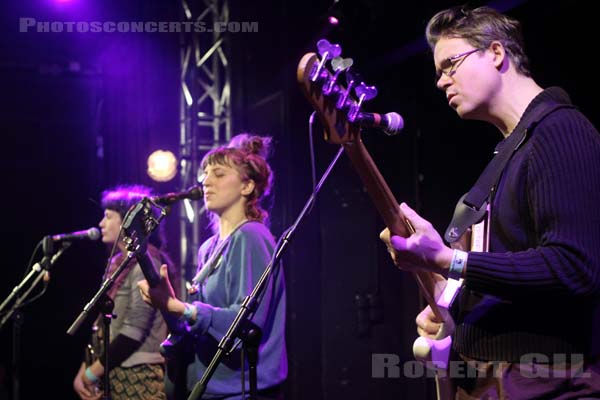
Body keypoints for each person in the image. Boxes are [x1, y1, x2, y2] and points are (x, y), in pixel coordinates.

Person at [380, 5, 600, 399]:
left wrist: (449, 261)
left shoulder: (559, 130)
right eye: (438, 71)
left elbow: (574, 266)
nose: (440, 81)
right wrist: (452, 306)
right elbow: (510, 274)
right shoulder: (510, 153)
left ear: (496, 53)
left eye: (450, 64)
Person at [138, 133, 287, 400]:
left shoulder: (251, 236)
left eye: (218, 173)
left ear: (247, 187)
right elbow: (201, 324)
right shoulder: (209, 247)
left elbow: (244, 326)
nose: (206, 181)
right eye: (205, 174)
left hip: (242, 392)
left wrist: (177, 306)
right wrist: (167, 303)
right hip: (208, 387)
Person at [73, 184, 176, 400]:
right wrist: (88, 365)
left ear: (128, 221)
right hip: (115, 369)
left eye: (108, 217)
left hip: (139, 374)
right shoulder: (118, 264)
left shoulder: (146, 265)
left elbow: (134, 331)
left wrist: (91, 373)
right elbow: (103, 323)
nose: (101, 223)